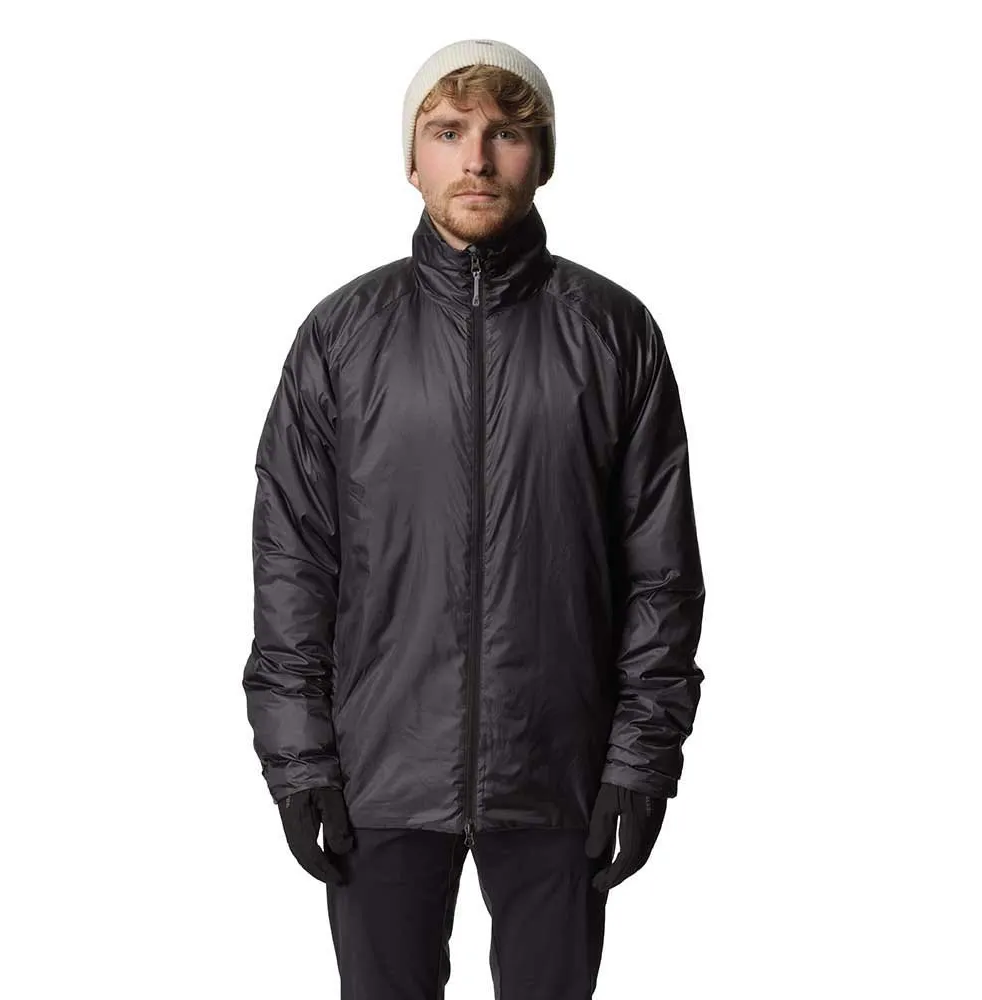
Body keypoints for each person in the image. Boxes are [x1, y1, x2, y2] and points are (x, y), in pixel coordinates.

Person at [242, 38, 706, 1000]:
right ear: (412, 160)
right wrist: (298, 758)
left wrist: (641, 759)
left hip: (560, 770)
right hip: (377, 771)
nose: (478, 160)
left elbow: (661, 572)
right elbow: (294, 563)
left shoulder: (614, 332)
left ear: (545, 157)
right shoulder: (342, 336)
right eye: (448, 132)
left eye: (507, 133)